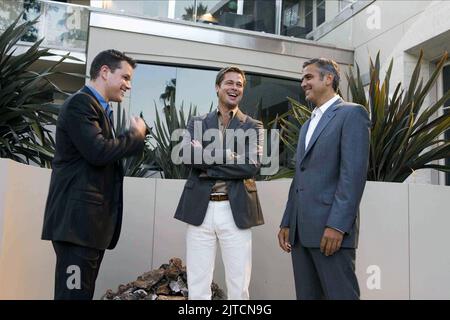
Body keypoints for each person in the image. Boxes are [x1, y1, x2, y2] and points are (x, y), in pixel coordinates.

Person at [41, 49, 147, 300]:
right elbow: (98, 151)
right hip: (76, 228)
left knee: (79, 294)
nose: (128, 86)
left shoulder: (99, 109)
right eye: (125, 77)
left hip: (86, 231)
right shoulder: (81, 104)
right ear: (105, 72)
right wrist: (135, 136)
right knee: (73, 295)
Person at [278, 58, 370, 300]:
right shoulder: (307, 124)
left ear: (328, 78)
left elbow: (353, 176)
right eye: (302, 79)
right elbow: (300, 175)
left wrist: (337, 225)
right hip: (301, 233)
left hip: (331, 233)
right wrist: (288, 221)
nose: (303, 83)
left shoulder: (352, 114)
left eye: (308, 77)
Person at [174, 66, 264, 300]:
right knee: (197, 282)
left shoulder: (253, 126)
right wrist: (231, 158)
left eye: (239, 84)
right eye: (229, 83)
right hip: (200, 210)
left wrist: (205, 158)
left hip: (236, 210)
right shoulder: (197, 122)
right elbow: (186, 156)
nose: (234, 88)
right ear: (217, 87)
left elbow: (250, 165)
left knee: (238, 285)